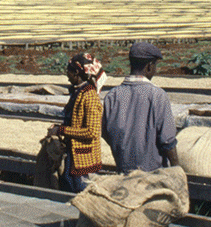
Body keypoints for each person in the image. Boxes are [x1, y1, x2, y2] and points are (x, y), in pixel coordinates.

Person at [101, 42, 179, 174]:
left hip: (123, 171)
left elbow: (106, 132)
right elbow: (168, 141)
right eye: (155, 66)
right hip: (152, 174)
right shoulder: (158, 96)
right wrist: (177, 169)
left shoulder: (112, 96)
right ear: (149, 67)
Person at [49, 52, 104, 192]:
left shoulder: (89, 96)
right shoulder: (79, 93)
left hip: (83, 160)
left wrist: (61, 130)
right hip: (74, 156)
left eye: (69, 71)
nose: (67, 75)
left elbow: (91, 132)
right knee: (68, 185)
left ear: (76, 73)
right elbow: (75, 122)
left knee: (80, 192)